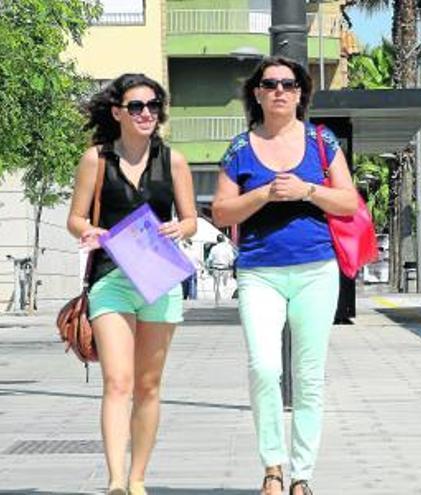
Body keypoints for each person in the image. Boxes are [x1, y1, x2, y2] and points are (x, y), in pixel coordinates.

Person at [212, 56, 357, 495]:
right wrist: (262, 194)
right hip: (259, 272)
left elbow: (349, 202)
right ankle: (272, 467)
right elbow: (220, 211)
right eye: (270, 83)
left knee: (309, 375)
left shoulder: (322, 141)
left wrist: (307, 190)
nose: (279, 91)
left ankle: (301, 476)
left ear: (300, 93)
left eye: (289, 84)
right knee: (263, 367)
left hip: (317, 270)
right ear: (256, 93)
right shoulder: (239, 148)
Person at [66, 74, 197, 495]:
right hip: (112, 277)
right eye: (137, 106)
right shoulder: (96, 159)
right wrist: (92, 232)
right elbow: (75, 218)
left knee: (148, 384)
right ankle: (116, 481)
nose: (146, 113)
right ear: (118, 112)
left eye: (153, 106)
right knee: (117, 382)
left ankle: (138, 477)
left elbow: (192, 218)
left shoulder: (173, 160)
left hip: (158, 277)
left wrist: (181, 228)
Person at [207, 234, 236, 303]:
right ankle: (224, 299)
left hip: (216, 268)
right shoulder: (228, 248)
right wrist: (232, 267)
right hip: (225, 268)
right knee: (224, 284)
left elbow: (210, 259)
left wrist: (208, 267)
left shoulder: (214, 248)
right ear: (224, 240)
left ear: (217, 240)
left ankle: (218, 299)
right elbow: (231, 259)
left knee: (217, 284)